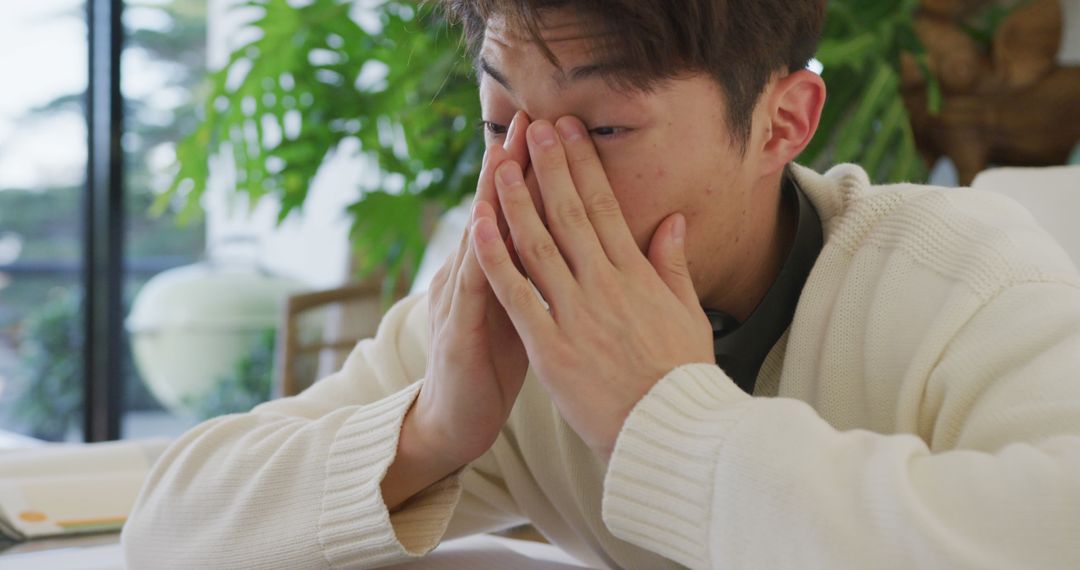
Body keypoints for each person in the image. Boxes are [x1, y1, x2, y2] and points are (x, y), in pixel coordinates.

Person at [122, 1, 1080, 568]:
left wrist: (665, 421)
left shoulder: (961, 283)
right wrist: (432, 431)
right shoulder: (505, 323)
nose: (531, 179)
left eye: (606, 131)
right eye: (501, 122)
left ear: (785, 123)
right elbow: (168, 532)